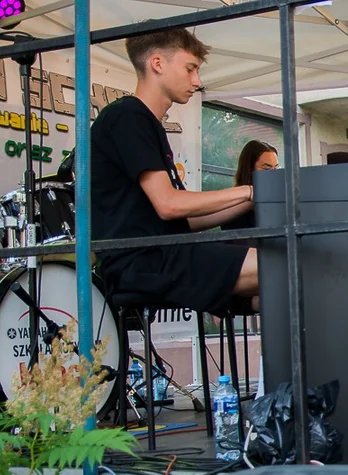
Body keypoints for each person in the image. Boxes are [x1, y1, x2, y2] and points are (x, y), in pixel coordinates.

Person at [91, 29, 258, 316]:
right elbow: (168, 204)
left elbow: (185, 218)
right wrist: (248, 190)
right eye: (190, 69)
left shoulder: (146, 122)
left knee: (276, 290)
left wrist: (255, 199)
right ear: (158, 63)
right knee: (287, 264)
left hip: (162, 255)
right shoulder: (127, 116)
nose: (198, 81)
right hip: (142, 262)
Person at [221, 140, 279, 231]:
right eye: (266, 169)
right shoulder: (233, 203)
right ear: (249, 169)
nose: (273, 174)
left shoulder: (280, 200)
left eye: (276, 168)